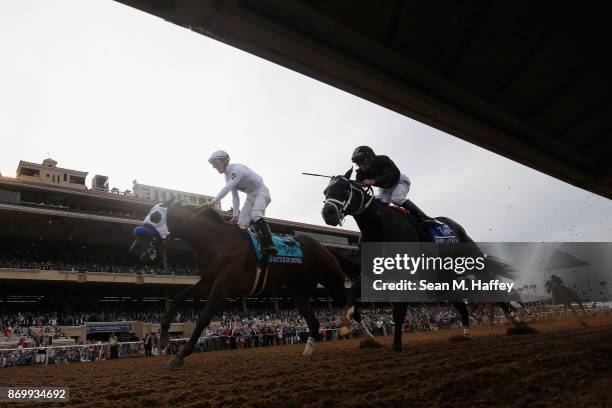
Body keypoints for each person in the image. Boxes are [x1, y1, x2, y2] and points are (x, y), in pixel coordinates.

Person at [202, 150, 277, 255]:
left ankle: (269, 243)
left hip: (261, 192)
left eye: (217, 163)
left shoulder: (237, 169)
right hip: (251, 195)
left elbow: (227, 187)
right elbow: (235, 197)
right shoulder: (227, 176)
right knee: (240, 224)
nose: (215, 166)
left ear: (225, 161)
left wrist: (213, 201)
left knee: (255, 215)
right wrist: (235, 215)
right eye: (213, 164)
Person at [351, 146, 433, 226]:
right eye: (358, 163)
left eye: (363, 161)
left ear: (371, 157)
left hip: (400, 181)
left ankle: (424, 218)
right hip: (385, 188)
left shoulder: (384, 160)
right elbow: (357, 186)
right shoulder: (360, 173)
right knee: (379, 203)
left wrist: (374, 181)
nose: (362, 166)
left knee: (397, 199)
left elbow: (392, 174)